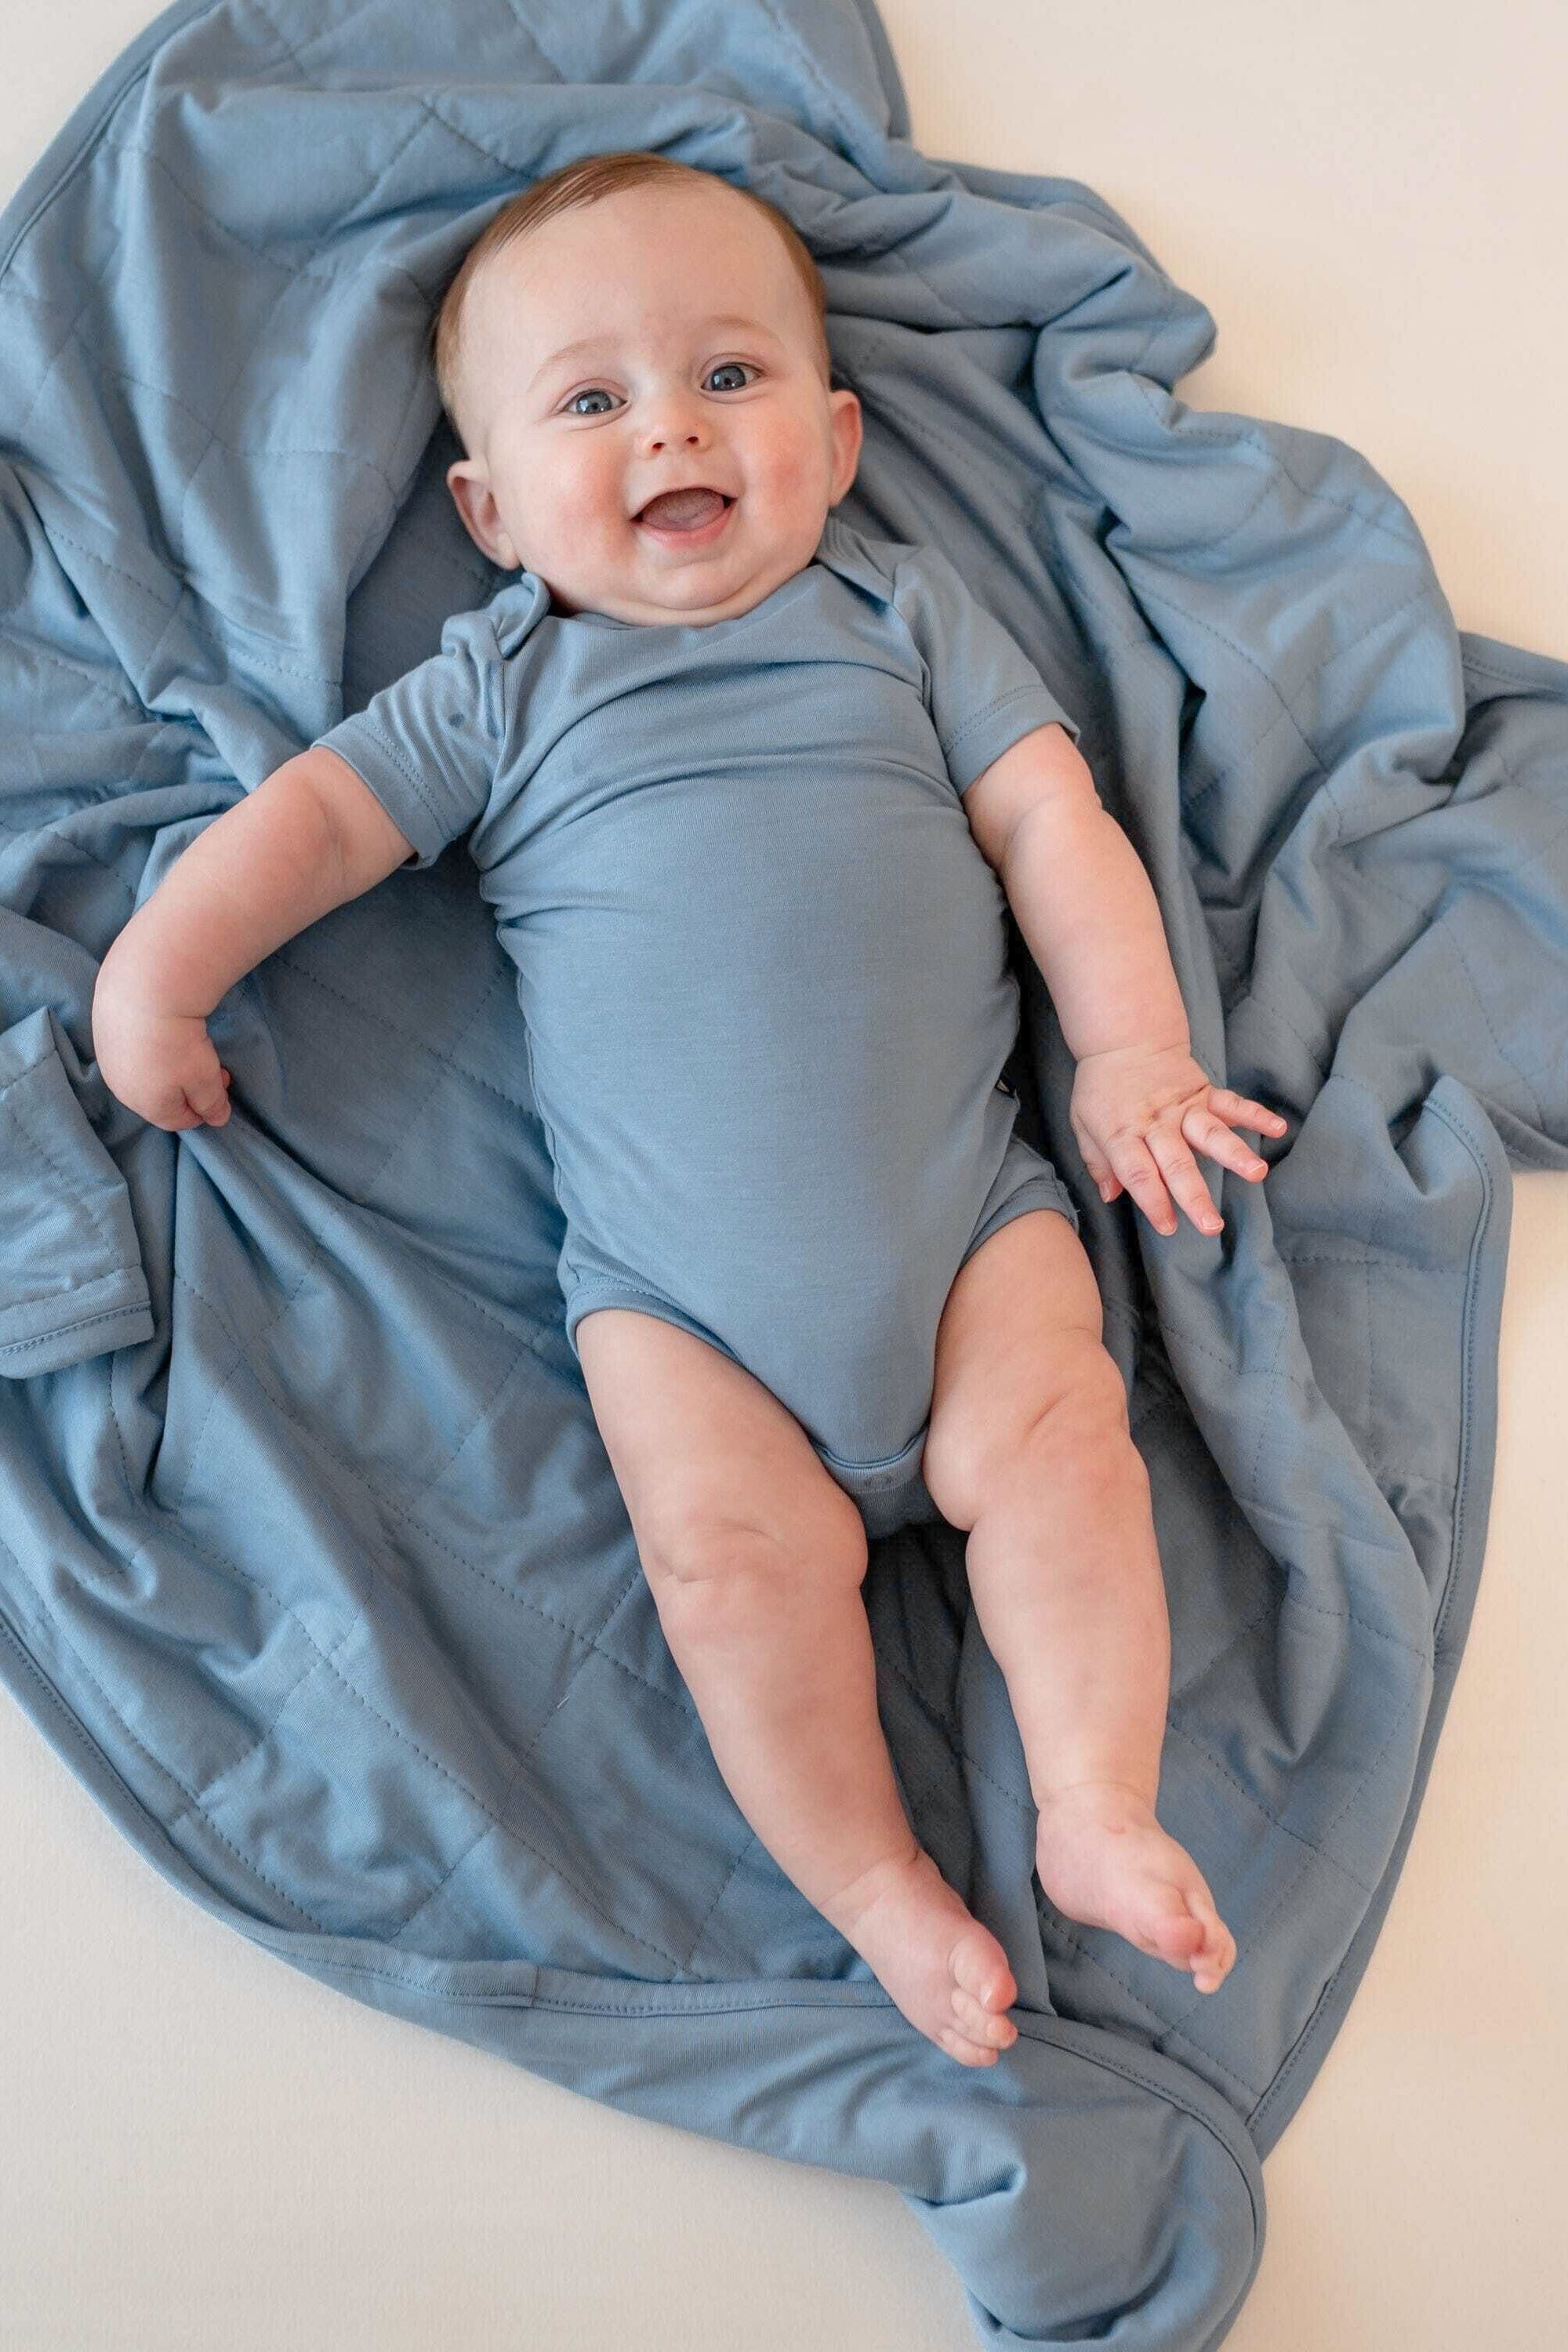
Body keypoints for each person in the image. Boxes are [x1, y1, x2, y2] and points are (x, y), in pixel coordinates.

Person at [93, 150, 1284, 2067]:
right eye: (592, 401)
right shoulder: (506, 683)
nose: (670, 427)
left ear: (833, 434)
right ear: (487, 510)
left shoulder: (907, 616)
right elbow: (311, 824)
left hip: (973, 1220)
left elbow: (1053, 822)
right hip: (682, 1308)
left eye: (729, 377)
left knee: (1064, 1448)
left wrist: (1136, 1049)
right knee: (729, 1575)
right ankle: (881, 1893)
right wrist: (157, 972)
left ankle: (1093, 1800)